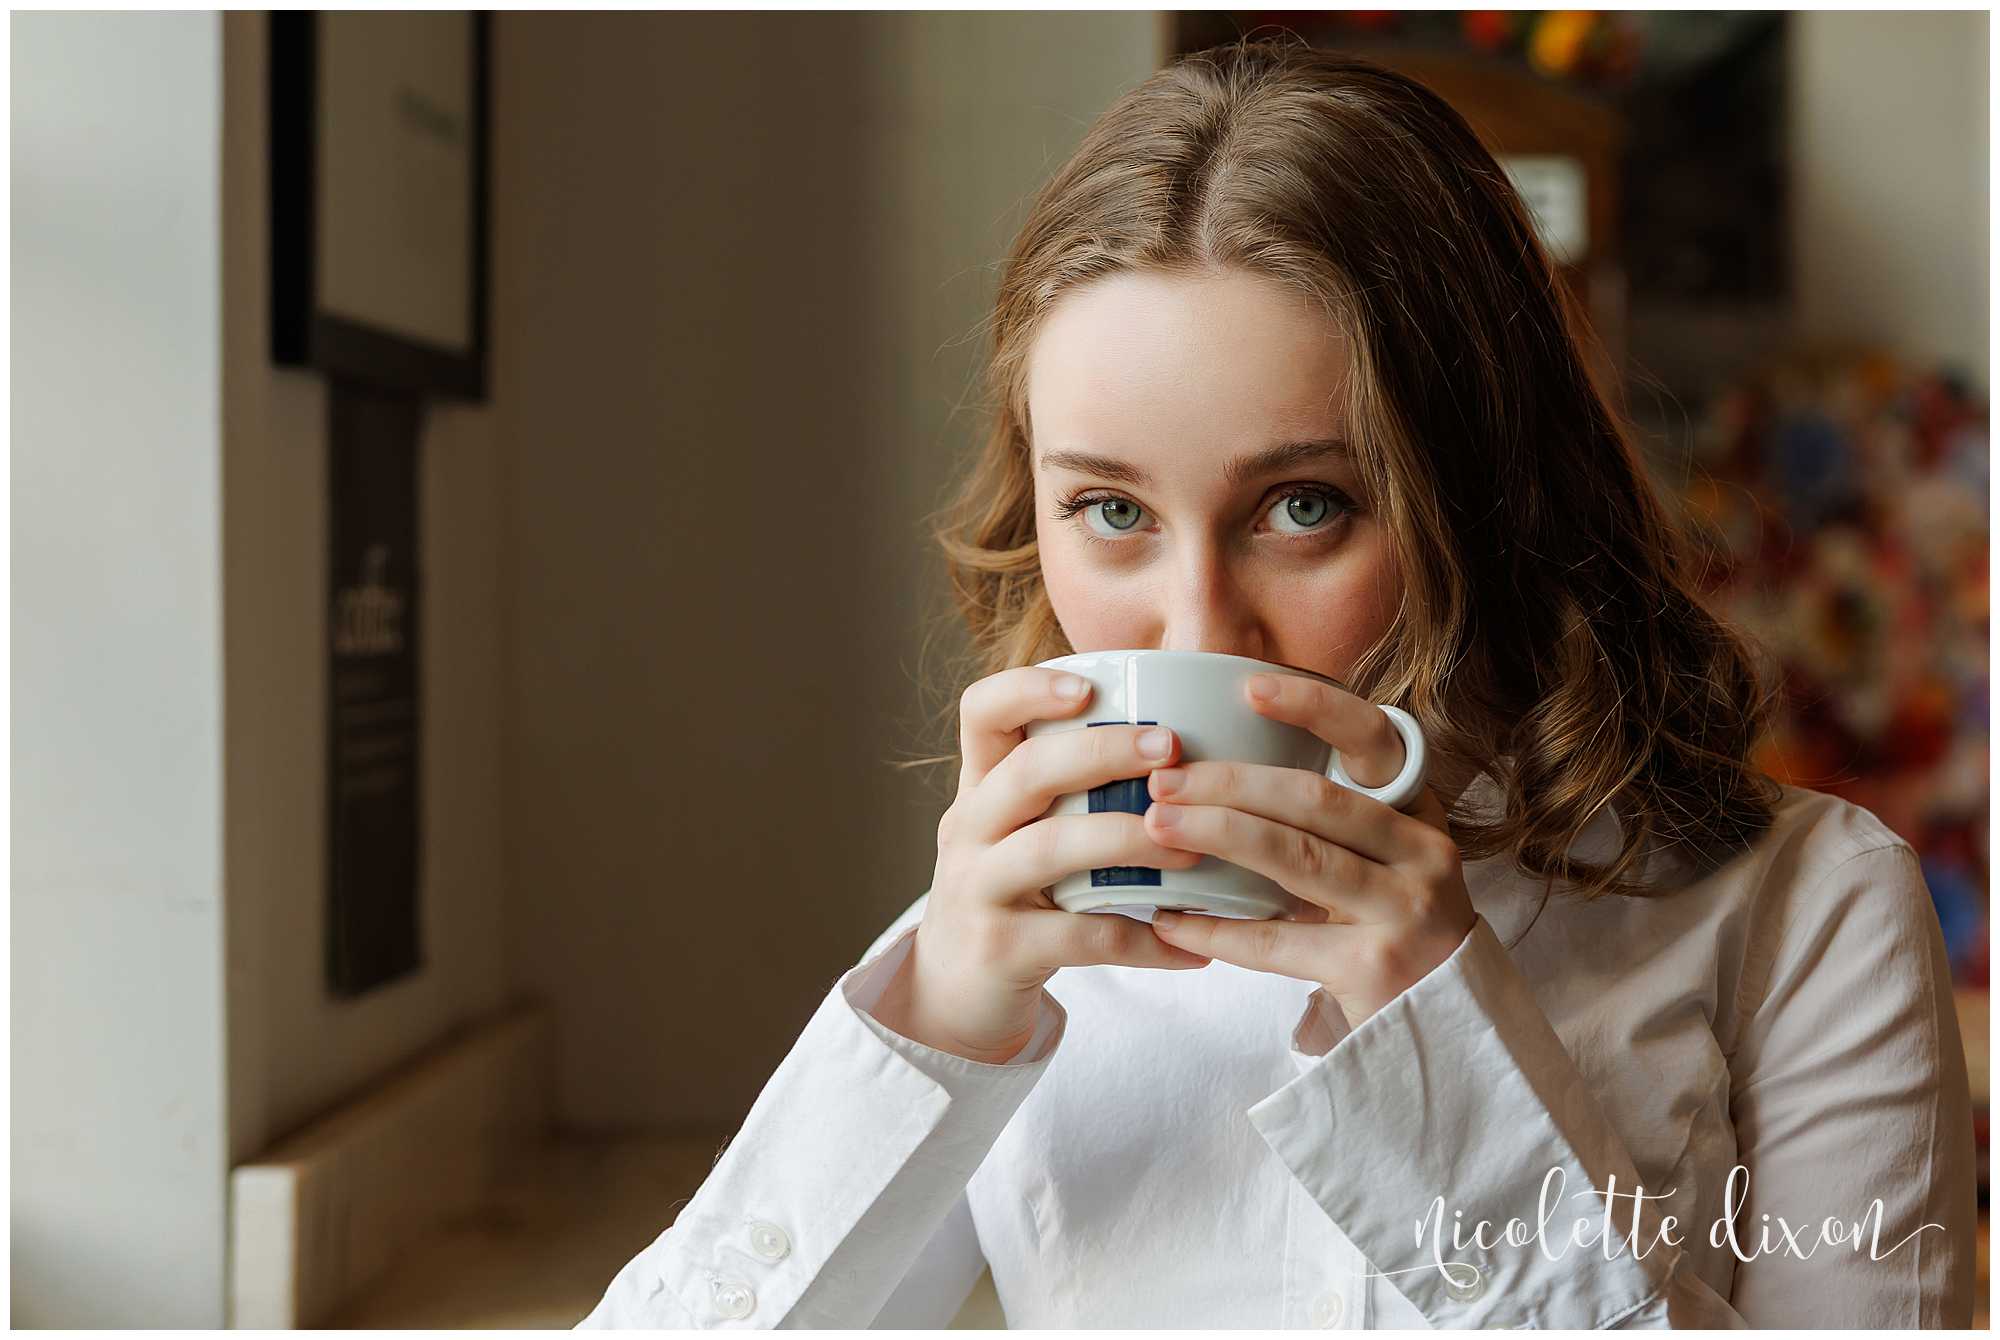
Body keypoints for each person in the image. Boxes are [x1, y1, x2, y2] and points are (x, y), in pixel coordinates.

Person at [575, 37, 1976, 1329]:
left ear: (1485, 490)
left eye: (1303, 506)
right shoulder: (1009, 942)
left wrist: (1445, 1048)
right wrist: (929, 1030)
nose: (1200, 629)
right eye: (1113, 512)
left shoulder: (1804, 907)